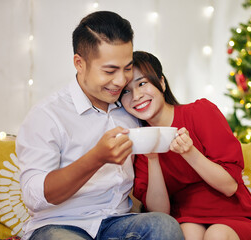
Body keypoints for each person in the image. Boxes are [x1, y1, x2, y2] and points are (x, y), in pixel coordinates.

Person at [16, 12, 184, 240]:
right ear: (79, 63)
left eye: (127, 68)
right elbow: (34, 195)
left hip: (119, 221)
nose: (120, 80)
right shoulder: (47, 115)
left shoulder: (129, 108)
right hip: (60, 225)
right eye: (109, 70)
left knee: (164, 226)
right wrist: (97, 158)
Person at [120, 51, 251, 240]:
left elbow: (229, 186)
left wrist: (190, 153)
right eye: (126, 91)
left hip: (234, 214)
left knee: (216, 234)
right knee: (187, 234)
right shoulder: (140, 142)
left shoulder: (200, 112)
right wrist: (152, 159)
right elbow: (160, 213)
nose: (136, 96)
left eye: (142, 83)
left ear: (161, 83)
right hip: (187, 218)